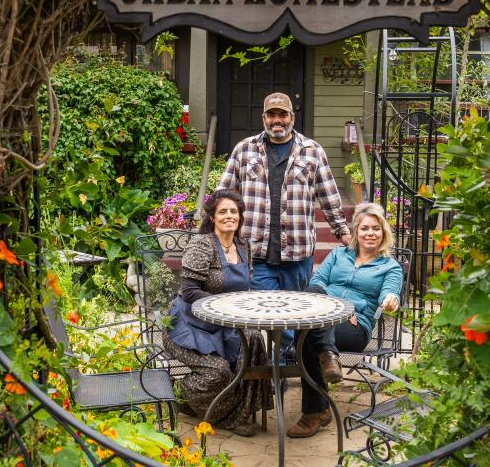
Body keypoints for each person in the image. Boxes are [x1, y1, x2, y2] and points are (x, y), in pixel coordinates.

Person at [218, 92, 352, 357]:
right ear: (264, 118)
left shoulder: (312, 151)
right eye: (272, 115)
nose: (277, 120)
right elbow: (224, 194)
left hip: (298, 255)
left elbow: (329, 196)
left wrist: (342, 231)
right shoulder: (244, 149)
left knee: (294, 318)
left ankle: (288, 368)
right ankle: (274, 379)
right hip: (256, 254)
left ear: (292, 117)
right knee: (264, 319)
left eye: (283, 114)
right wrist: (215, 232)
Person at [287, 203, 402, 438]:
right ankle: (328, 357)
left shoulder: (390, 267)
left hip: (355, 326)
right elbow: (317, 281)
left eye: (376, 229)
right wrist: (337, 308)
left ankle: (316, 412)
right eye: (365, 228)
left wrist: (390, 298)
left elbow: (390, 291)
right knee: (311, 297)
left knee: (306, 334)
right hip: (326, 316)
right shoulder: (338, 254)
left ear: (383, 233)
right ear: (356, 232)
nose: (370, 233)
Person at [161, 189, 271, 437]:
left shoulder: (244, 246)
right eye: (223, 211)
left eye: (234, 211)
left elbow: (246, 287)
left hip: (225, 325)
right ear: (212, 217)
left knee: (254, 339)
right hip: (190, 327)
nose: (229, 216)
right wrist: (223, 308)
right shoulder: (202, 245)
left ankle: (241, 411)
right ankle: (184, 394)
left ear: (240, 217)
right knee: (218, 371)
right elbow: (189, 291)